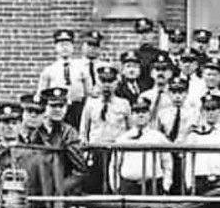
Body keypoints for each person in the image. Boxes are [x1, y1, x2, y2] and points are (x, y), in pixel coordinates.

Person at [80, 65, 131, 193]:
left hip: (116, 150)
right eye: (103, 81)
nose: (106, 85)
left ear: (116, 83)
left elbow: (130, 129)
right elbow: (84, 129)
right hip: (96, 150)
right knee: (94, 185)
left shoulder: (124, 104)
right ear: (98, 82)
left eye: (110, 81)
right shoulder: (91, 103)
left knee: (114, 185)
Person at [182, 94, 220, 195]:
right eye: (207, 109)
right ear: (202, 111)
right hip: (201, 179)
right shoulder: (194, 135)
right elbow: (189, 161)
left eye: (214, 109)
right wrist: (189, 183)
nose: (210, 113)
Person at [112, 96, 173, 195]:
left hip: (153, 186)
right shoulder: (122, 139)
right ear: (131, 115)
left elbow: (167, 163)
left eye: (144, 112)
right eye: (137, 112)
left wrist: (166, 186)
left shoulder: (159, 137)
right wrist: (116, 187)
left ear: (149, 114)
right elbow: (114, 166)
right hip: (129, 186)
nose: (141, 115)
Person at [37, 87, 88, 198]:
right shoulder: (35, 131)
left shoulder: (69, 133)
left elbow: (80, 170)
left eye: (61, 106)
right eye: (53, 106)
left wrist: (60, 188)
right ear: (44, 107)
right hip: (37, 187)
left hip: (59, 191)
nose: (58, 110)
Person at [37, 29, 92, 129]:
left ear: (72, 47)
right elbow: (41, 95)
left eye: (67, 44)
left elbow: (89, 93)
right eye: (61, 45)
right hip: (57, 108)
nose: (64, 48)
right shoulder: (49, 70)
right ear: (56, 47)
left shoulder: (82, 69)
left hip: (77, 109)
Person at [184, 58, 220, 133]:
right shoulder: (194, 97)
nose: (211, 78)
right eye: (208, 74)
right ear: (203, 75)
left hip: (219, 137)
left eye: (215, 75)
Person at [139, 52, 178, 130]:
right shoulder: (144, 96)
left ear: (171, 73)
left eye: (164, 69)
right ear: (151, 73)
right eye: (157, 69)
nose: (160, 73)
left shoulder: (175, 97)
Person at [0, 102, 23, 171]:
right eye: (6, 123)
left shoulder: (28, 151)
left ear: (21, 125)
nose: (10, 126)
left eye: (14, 123)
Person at [134, 17, 159, 91]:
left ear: (153, 34)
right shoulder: (132, 57)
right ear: (137, 36)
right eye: (141, 33)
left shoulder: (162, 55)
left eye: (147, 32)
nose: (144, 36)